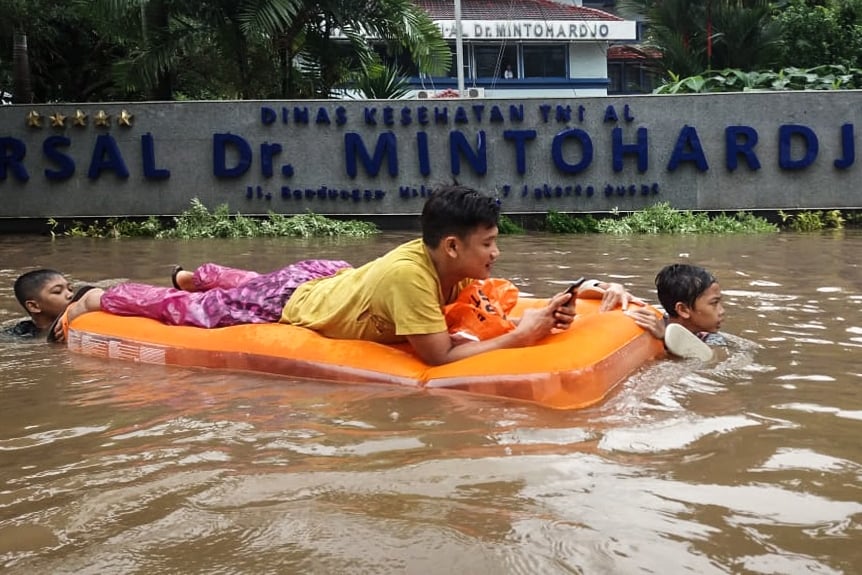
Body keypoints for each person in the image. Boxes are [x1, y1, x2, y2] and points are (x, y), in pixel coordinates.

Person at [51, 185, 637, 365]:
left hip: (333, 274)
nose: (497, 255)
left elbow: (495, 298)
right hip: (299, 299)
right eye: (489, 245)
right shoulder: (413, 277)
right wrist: (523, 335)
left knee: (253, 280)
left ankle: (195, 272)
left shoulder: (448, 263)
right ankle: (112, 291)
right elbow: (435, 356)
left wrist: (579, 291)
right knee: (202, 313)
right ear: (453, 245)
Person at [625, 263, 726, 353]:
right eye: (714, 303)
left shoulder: (713, 340)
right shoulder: (652, 324)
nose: (722, 311)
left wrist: (667, 338)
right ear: (683, 310)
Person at [3, 269, 74, 338]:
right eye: (57, 291)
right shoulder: (19, 338)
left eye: (70, 289)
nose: (70, 294)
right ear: (34, 306)